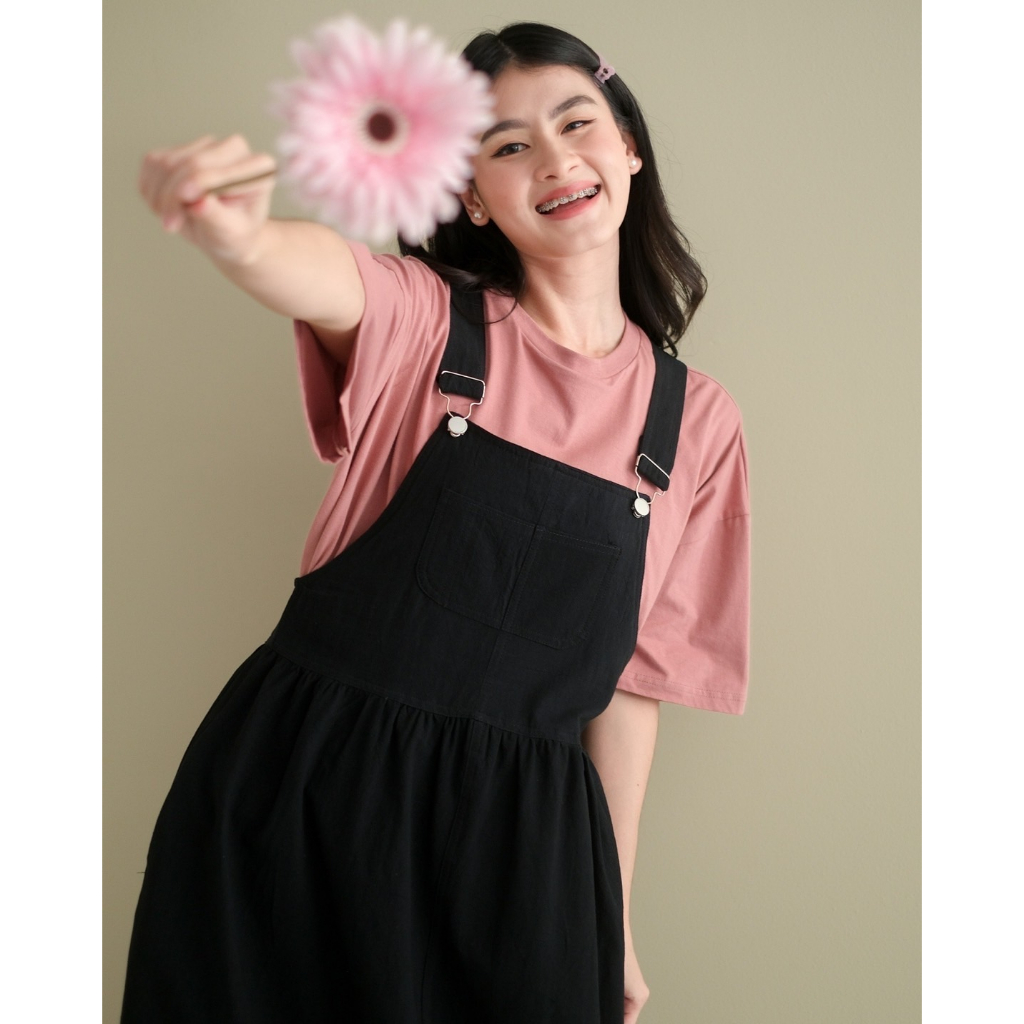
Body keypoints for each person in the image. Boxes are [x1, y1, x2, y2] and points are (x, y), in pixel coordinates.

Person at [123, 21, 750, 1024]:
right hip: (307, 800)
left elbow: (632, 688)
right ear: (472, 195)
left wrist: (615, 916)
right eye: (508, 145)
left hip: (527, 854)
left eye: (576, 124)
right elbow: (322, 271)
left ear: (628, 146)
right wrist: (238, 235)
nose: (555, 162)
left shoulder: (696, 424)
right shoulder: (425, 319)